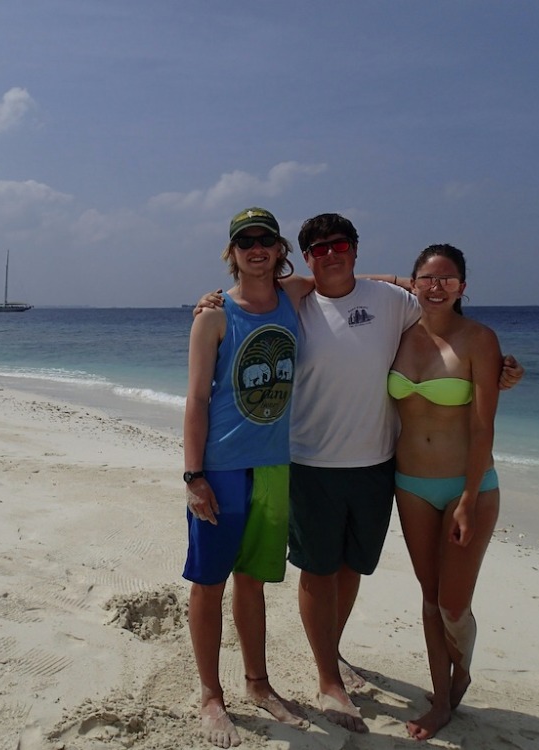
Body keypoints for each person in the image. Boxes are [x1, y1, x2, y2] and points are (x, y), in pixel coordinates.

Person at [196, 212, 522, 734]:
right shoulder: (293, 300)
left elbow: (442, 317)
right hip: (309, 461)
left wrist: (499, 369)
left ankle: (333, 651)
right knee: (317, 569)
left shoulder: (393, 301)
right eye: (319, 248)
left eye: (340, 245)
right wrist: (211, 301)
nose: (331, 254)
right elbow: (248, 302)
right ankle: (328, 679)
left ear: (354, 248)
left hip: (378, 463)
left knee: (352, 568)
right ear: (305, 257)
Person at [183, 207, 310, 748]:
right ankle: (211, 695)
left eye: (266, 240)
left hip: (274, 464)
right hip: (222, 466)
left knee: (253, 580)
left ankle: (258, 683)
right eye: (245, 241)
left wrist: (413, 285)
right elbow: (196, 400)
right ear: (232, 253)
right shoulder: (214, 316)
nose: (256, 248)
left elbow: (351, 283)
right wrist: (193, 475)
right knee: (209, 582)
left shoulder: (295, 295)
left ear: (280, 249)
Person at [389, 244, 501, 740]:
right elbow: (349, 285)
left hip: (466, 487)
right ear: (412, 282)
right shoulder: (396, 335)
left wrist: (469, 499)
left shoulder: (479, 339)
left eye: (448, 279)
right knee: (429, 598)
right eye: (427, 278)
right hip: (410, 483)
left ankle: (464, 668)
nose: (437, 288)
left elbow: (482, 428)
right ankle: (440, 695)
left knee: (454, 604)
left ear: (463, 287)